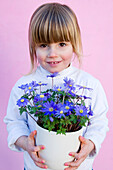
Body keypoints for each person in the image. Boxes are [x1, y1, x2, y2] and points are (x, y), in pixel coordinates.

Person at [4, 2, 109, 170]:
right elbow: (14, 122)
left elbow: (99, 122)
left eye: (62, 44)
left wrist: (90, 144)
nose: (53, 54)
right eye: (44, 45)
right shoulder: (23, 86)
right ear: (34, 47)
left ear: (74, 43)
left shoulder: (89, 84)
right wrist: (26, 143)